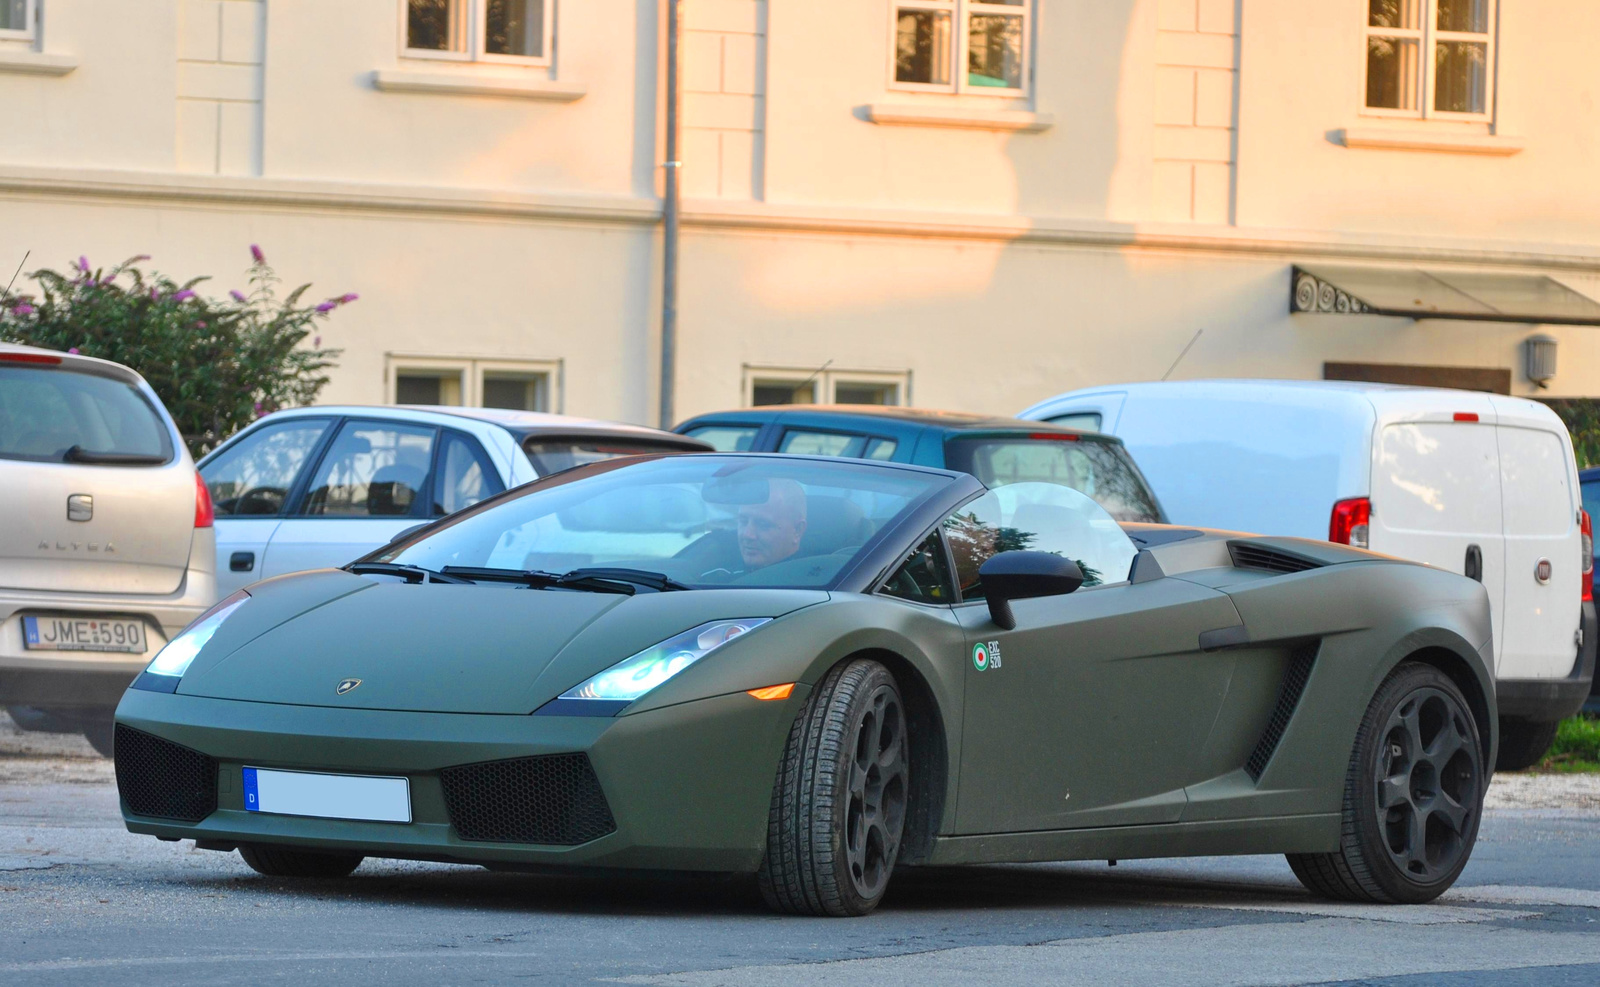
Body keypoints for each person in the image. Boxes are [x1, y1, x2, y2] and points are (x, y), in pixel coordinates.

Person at [736, 478, 808, 571]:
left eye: (763, 525)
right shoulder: (719, 578)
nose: (748, 535)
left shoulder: (816, 581)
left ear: (797, 531)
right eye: (743, 521)